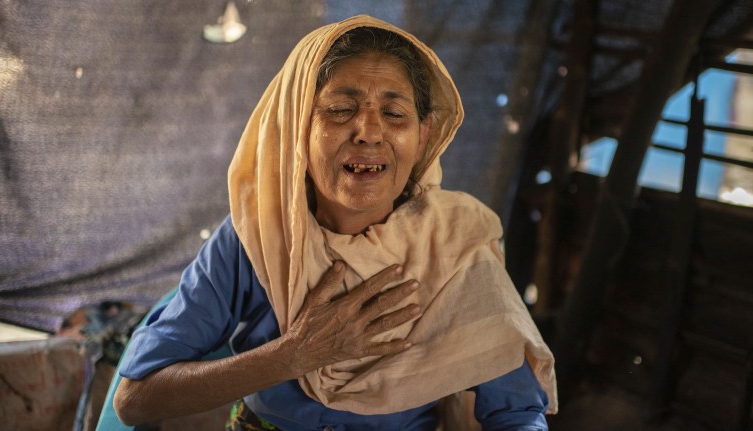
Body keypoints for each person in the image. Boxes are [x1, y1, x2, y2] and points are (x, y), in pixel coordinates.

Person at [114, 15, 557, 430]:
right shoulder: (257, 237)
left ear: (423, 135)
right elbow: (135, 398)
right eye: (341, 109)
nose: (368, 131)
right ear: (297, 131)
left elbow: (517, 413)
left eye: (395, 113)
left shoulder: (457, 245)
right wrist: (293, 355)